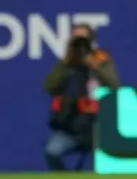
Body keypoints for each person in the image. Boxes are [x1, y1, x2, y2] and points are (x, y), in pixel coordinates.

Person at [43, 24, 119, 171]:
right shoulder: (66, 63)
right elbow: (49, 87)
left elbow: (114, 85)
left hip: (97, 125)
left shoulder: (101, 60)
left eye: (83, 38)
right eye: (76, 38)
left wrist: (95, 66)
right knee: (51, 151)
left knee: (104, 160)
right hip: (70, 125)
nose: (80, 43)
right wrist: (66, 61)